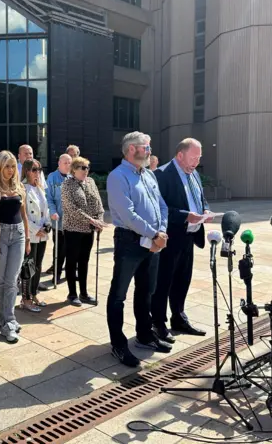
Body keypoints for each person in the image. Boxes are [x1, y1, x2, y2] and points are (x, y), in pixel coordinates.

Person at [106, 132, 170, 368]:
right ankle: (118, 344)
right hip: (129, 242)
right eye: (146, 147)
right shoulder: (117, 176)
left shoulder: (149, 175)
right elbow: (126, 214)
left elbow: (161, 205)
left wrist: (160, 233)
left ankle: (144, 335)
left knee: (146, 291)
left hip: (153, 241)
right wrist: (153, 234)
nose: (150, 151)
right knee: (118, 295)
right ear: (131, 149)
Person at [152, 139, 209, 341]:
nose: (196, 162)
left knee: (182, 280)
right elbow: (160, 208)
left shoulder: (194, 173)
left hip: (189, 236)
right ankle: (158, 322)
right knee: (163, 281)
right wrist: (185, 215)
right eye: (193, 157)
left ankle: (178, 317)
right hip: (170, 238)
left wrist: (206, 210)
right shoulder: (162, 174)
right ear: (179, 155)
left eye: (199, 157)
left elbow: (200, 198)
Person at [0, 150, 30, 343]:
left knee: (12, 280)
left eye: (13, 166)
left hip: (19, 234)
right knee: (0, 281)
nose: (10, 170)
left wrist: (28, 238)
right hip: (0, 234)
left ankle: (8, 320)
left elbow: (24, 214)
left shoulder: (20, 186)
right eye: (7, 166)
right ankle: (5, 320)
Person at [61, 156, 104, 306]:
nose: (86, 171)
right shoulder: (67, 185)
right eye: (83, 168)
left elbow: (99, 203)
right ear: (74, 170)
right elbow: (72, 208)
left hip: (89, 230)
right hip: (73, 229)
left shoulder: (91, 182)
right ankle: (72, 294)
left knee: (84, 261)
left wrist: (99, 220)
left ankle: (84, 293)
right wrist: (91, 220)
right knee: (72, 261)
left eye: (88, 168)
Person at [20, 159, 50, 312]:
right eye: (34, 169)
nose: (37, 172)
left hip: (42, 233)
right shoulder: (22, 188)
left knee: (37, 265)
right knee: (28, 266)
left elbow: (46, 209)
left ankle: (34, 293)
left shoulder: (39, 188)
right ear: (26, 171)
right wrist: (34, 228)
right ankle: (25, 298)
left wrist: (46, 224)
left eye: (39, 169)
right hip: (31, 233)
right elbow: (22, 213)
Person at [42, 153, 72, 284]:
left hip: (72, 222)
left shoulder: (73, 177)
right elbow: (48, 198)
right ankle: (56, 274)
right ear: (59, 163)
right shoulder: (52, 178)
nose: (67, 165)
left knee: (71, 250)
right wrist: (53, 212)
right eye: (65, 163)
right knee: (59, 250)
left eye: (69, 163)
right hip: (58, 221)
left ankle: (70, 274)